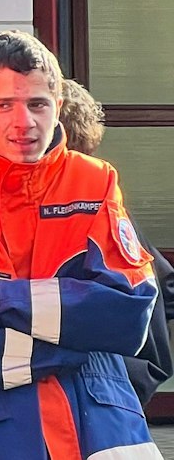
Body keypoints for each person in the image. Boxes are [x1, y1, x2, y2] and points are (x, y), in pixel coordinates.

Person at [0, 32, 158, 460]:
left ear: (58, 105)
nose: (24, 122)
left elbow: (129, 316)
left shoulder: (95, 181)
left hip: (103, 434)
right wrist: (74, 342)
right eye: (4, 105)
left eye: (37, 104)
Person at [57, 75, 173, 411]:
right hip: (124, 383)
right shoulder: (105, 200)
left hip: (97, 387)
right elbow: (165, 283)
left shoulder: (89, 204)